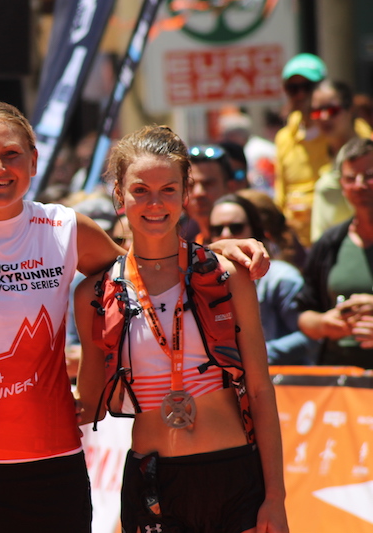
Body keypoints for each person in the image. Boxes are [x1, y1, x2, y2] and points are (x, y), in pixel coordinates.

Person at [0, 102, 269, 533]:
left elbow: (147, 267)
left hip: (54, 460)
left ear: (34, 161)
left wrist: (216, 251)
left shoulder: (65, 227)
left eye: (12, 154)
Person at [75, 125, 288, 533]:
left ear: (186, 193)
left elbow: (261, 390)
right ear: (119, 194)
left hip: (233, 478)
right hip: (152, 485)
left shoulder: (227, 276)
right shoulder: (94, 293)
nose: (155, 203)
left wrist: (275, 497)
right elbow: (90, 405)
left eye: (168, 189)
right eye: (140, 190)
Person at [210, 193, 319, 365]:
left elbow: (311, 335)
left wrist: (256, 354)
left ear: (254, 230)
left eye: (236, 227)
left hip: (286, 385)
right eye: (217, 230)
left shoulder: (282, 278)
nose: (226, 235)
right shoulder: (201, 281)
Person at [297, 137, 373, 368]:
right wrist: (323, 323)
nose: (360, 185)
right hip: (340, 387)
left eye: (369, 175)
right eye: (351, 178)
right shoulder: (330, 243)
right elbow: (303, 314)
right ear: (341, 184)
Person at [274, 53, 329, 247]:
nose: (300, 94)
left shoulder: (342, 128)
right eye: (293, 88)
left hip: (336, 237)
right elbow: (281, 190)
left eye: (308, 87)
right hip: (299, 243)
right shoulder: (285, 137)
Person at [310, 80, 372, 243]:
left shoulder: (369, 151)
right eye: (316, 111)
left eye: (332, 110)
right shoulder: (308, 153)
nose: (323, 117)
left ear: (350, 109)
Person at [183, 144, 233, 243]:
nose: (198, 193)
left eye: (208, 184)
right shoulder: (183, 239)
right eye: (190, 185)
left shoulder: (248, 234)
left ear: (229, 187)